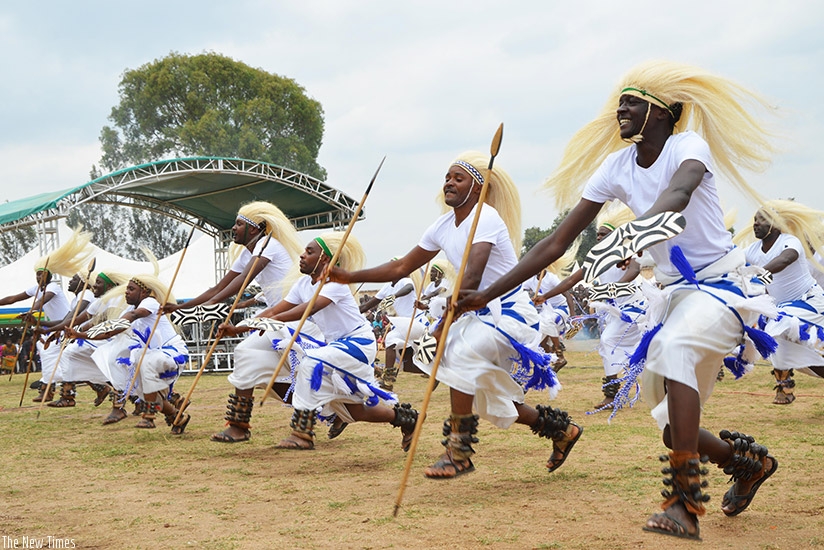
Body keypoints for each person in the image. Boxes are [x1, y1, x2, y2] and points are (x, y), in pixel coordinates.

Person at [456, 61, 779, 540]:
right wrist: (487, 292)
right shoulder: (615, 166)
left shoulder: (688, 148)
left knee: (680, 350)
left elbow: (679, 192)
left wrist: (631, 234)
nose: (620, 110)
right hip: (674, 297)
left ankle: (684, 504)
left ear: (665, 110)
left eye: (631, 101)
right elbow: (555, 243)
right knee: (673, 430)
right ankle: (747, 463)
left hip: (719, 287)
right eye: (620, 102)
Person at [328, 151, 579, 480]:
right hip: (474, 315)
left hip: (509, 314)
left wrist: (450, 313)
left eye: (458, 178)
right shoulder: (442, 226)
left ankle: (458, 452)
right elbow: (402, 266)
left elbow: (472, 278)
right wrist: (350, 277)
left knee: (458, 354)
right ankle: (562, 430)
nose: (448, 182)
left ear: (477, 187)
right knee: (490, 403)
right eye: (447, 177)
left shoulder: (485, 217)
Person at [219, 233, 419, 451]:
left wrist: (271, 320)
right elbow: (277, 309)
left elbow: (310, 308)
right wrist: (241, 327)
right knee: (353, 411)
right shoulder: (303, 284)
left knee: (311, 364)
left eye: (309, 252)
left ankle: (302, 434)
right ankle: (407, 419)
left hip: (358, 344)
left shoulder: (335, 284)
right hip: (333, 345)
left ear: (325, 259)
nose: (302, 256)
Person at [73, 273, 190, 432]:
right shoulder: (130, 309)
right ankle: (177, 416)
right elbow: (110, 332)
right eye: (126, 289)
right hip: (151, 355)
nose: (126, 292)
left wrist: (118, 322)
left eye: (131, 289)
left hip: (172, 352)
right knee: (146, 391)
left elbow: (133, 316)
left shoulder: (150, 303)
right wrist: (80, 335)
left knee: (143, 360)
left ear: (144, 292)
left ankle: (149, 416)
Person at [743, 200, 824, 404]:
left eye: (761, 219)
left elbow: (785, 259)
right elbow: (736, 264)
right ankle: (785, 390)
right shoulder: (752, 251)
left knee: (777, 325)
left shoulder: (790, 242)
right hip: (783, 309)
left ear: (776, 224)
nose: (755, 223)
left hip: (811, 302)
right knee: (779, 350)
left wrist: (760, 276)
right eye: (754, 220)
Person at [0, 227, 93, 402]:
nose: (38, 278)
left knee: (58, 356)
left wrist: (32, 310)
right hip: (54, 325)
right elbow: (13, 298)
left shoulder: (53, 287)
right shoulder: (36, 288)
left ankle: (56, 391)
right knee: (48, 355)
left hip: (67, 324)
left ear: (49, 275)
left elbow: (42, 301)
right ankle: (49, 391)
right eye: (37, 275)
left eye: (42, 274)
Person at [358, 261, 421, 391]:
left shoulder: (404, 281)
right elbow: (366, 306)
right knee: (406, 365)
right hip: (404, 325)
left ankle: (388, 381)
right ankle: (433, 374)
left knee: (391, 339)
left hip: (416, 321)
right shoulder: (387, 286)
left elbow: (409, 288)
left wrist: (394, 296)